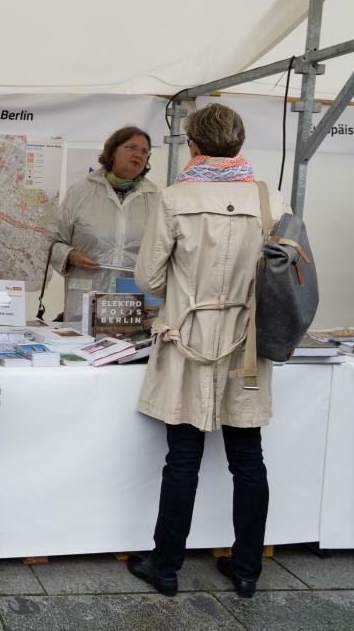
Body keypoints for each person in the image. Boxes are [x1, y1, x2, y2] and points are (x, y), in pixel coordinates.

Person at [126, 103, 288, 599]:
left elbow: (149, 279)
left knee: (183, 457)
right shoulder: (271, 200)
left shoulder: (175, 197)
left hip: (187, 340)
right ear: (238, 145)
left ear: (193, 145)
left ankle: (166, 566)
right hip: (248, 343)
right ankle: (246, 570)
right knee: (248, 459)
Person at [46, 126, 159, 322]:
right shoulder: (81, 191)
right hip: (86, 298)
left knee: (132, 350)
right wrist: (70, 255)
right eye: (131, 147)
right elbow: (52, 242)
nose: (138, 155)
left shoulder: (156, 198)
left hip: (132, 305)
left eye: (144, 152)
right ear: (112, 151)